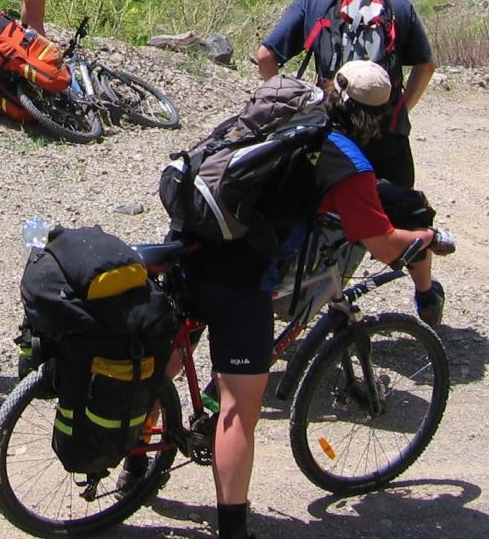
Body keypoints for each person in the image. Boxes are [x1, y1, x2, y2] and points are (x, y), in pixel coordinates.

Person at [170, 60, 450, 539]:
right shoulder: (348, 161)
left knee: (170, 358)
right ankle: (233, 530)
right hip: (239, 272)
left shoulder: (286, 107)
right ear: (378, 117)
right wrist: (426, 237)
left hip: (190, 239)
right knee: (240, 408)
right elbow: (382, 243)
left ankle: (137, 470)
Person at [253, 0, 443, 324]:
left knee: (307, 209)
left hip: (333, 132)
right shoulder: (397, 3)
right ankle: (426, 295)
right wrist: (401, 108)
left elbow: (265, 55)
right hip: (386, 131)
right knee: (409, 210)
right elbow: (426, 64)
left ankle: (296, 295)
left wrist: (286, 104)